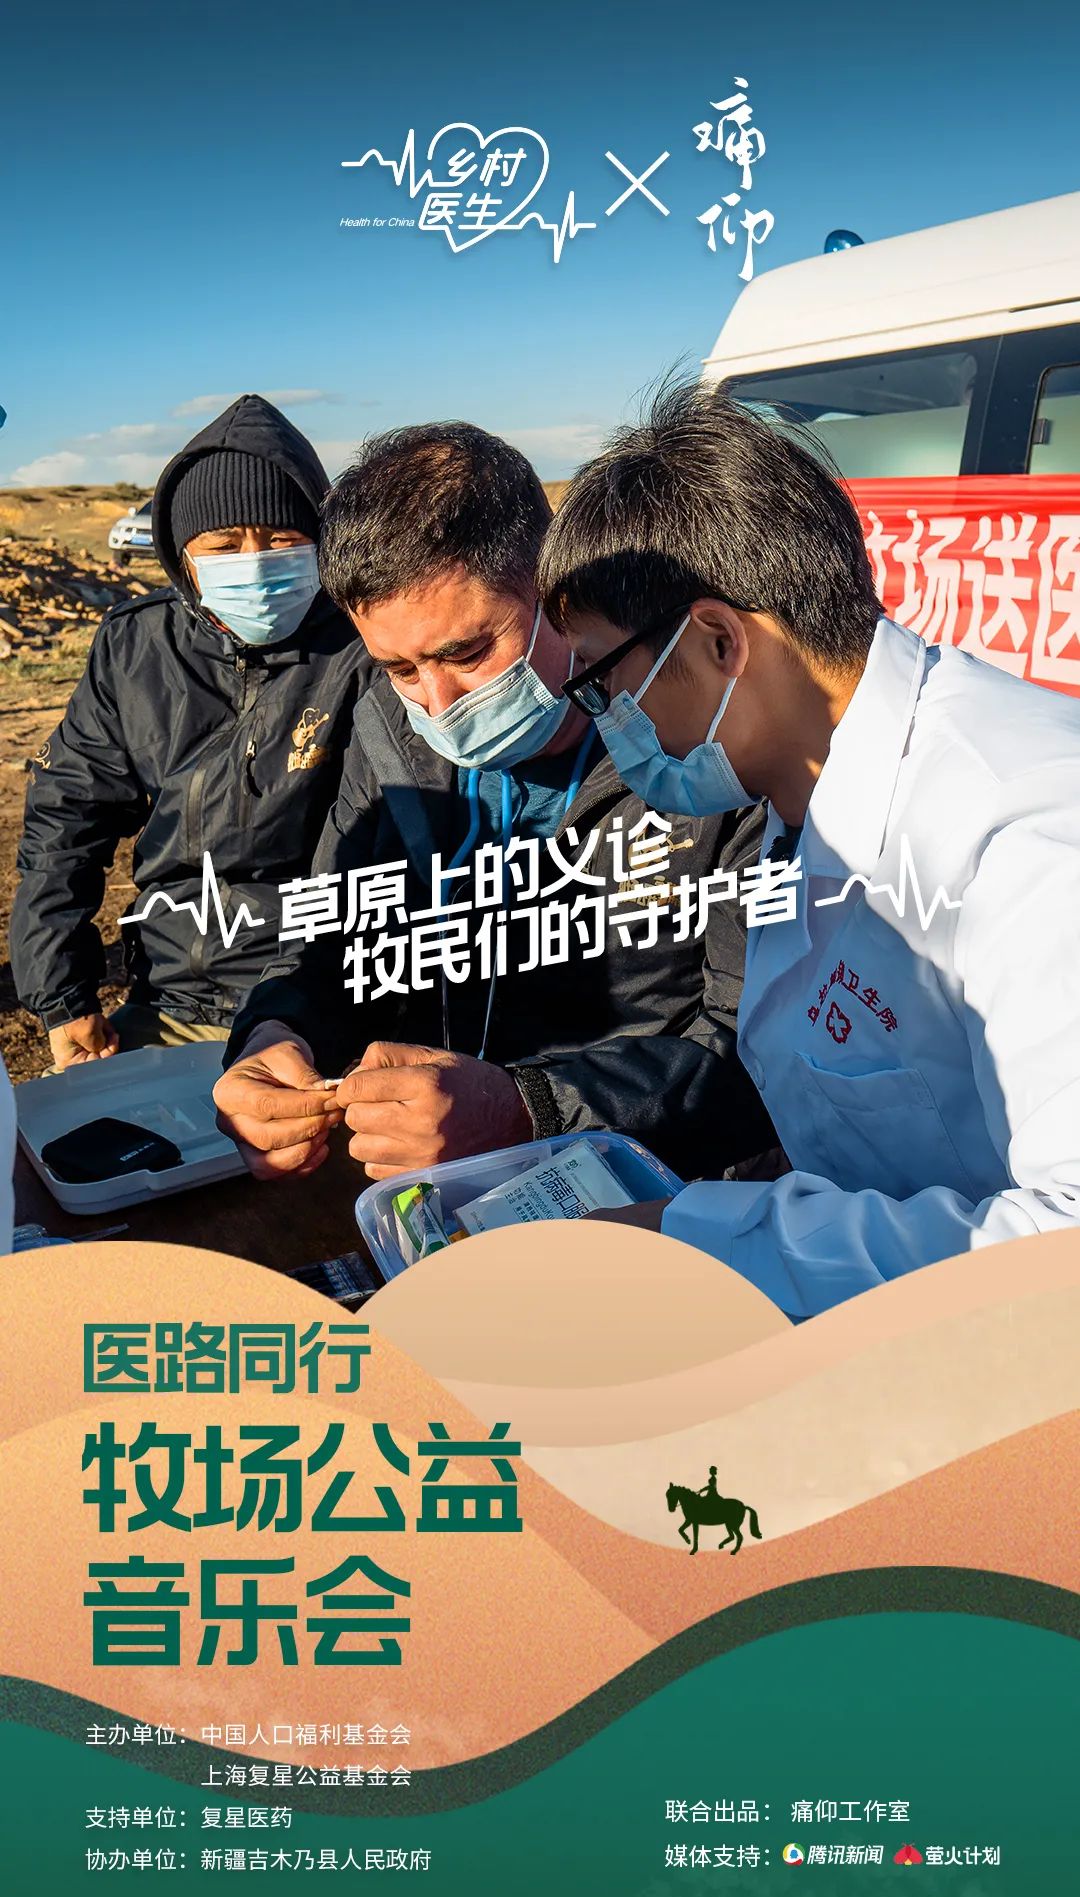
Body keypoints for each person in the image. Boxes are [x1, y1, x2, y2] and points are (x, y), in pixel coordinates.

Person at [536, 378, 1080, 1318]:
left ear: (718, 641)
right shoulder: (800, 796)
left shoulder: (1025, 832)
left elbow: (1062, 1249)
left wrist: (701, 1244)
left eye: (603, 683)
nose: (607, 723)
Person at [214, 422, 774, 1183]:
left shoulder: (695, 735)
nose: (439, 703)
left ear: (554, 594)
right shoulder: (386, 732)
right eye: (400, 668)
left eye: (469, 653)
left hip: (666, 1190)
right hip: (446, 1181)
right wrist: (277, 1033)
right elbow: (332, 943)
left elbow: (762, 1043)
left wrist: (530, 1110)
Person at [11, 396, 371, 1068]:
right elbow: (67, 815)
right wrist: (63, 996)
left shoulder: (367, 646)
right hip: (172, 998)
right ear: (184, 557)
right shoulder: (136, 646)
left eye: (281, 539)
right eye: (225, 545)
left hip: (326, 1001)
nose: (255, 562)